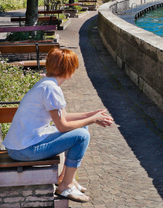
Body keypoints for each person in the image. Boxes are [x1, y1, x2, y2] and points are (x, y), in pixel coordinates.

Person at [3, 48, 113, 203]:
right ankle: (65, 186)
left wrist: (90, 114)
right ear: (68, 69)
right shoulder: (51, 88)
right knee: (82, 135)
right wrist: (93, 119)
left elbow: (65, 117)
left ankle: (66, 178)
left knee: (82, 128)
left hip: (21, 145)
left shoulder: (47, 84)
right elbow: (62, 126)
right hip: (23, 150)